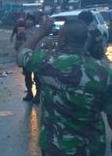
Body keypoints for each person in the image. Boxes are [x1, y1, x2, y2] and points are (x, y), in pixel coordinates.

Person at [18, 18, 112, 155]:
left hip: (54, 147)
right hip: (91, 148)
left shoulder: (47, 62)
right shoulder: (104, 72)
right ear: (86, 40)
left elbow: (22, 53)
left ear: (62, 40)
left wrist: (41, 32)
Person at [18, 14, 41, 103]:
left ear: (33, 21)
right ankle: (30, 93)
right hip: (26, 56)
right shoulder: (23, 31)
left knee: (36, 77)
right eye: (27, 20)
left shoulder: (37, 31)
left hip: (35, 55)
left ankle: (38, 94)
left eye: (30, 20)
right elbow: (19, 43)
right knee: (27, 76)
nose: (28, 22)